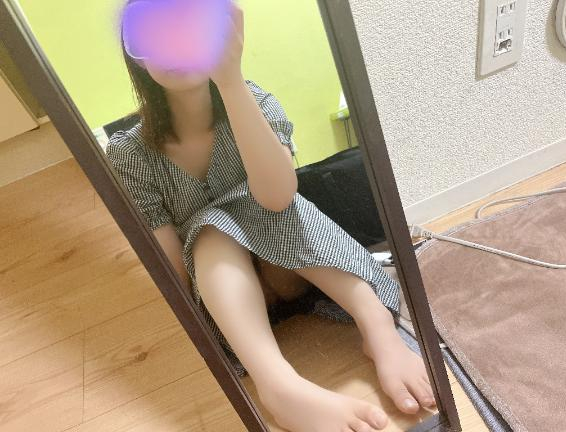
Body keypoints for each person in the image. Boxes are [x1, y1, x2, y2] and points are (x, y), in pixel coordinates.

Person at [106, 1, 436, 431]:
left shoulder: (255, 101)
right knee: (210, 227)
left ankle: (377, 326)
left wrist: (230, 81)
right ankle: (279, 386)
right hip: (232, 305)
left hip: (294, 269)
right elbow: (175, 274)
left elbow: (278, 198)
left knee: (264, 199)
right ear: (136, 52)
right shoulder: (130, 154)